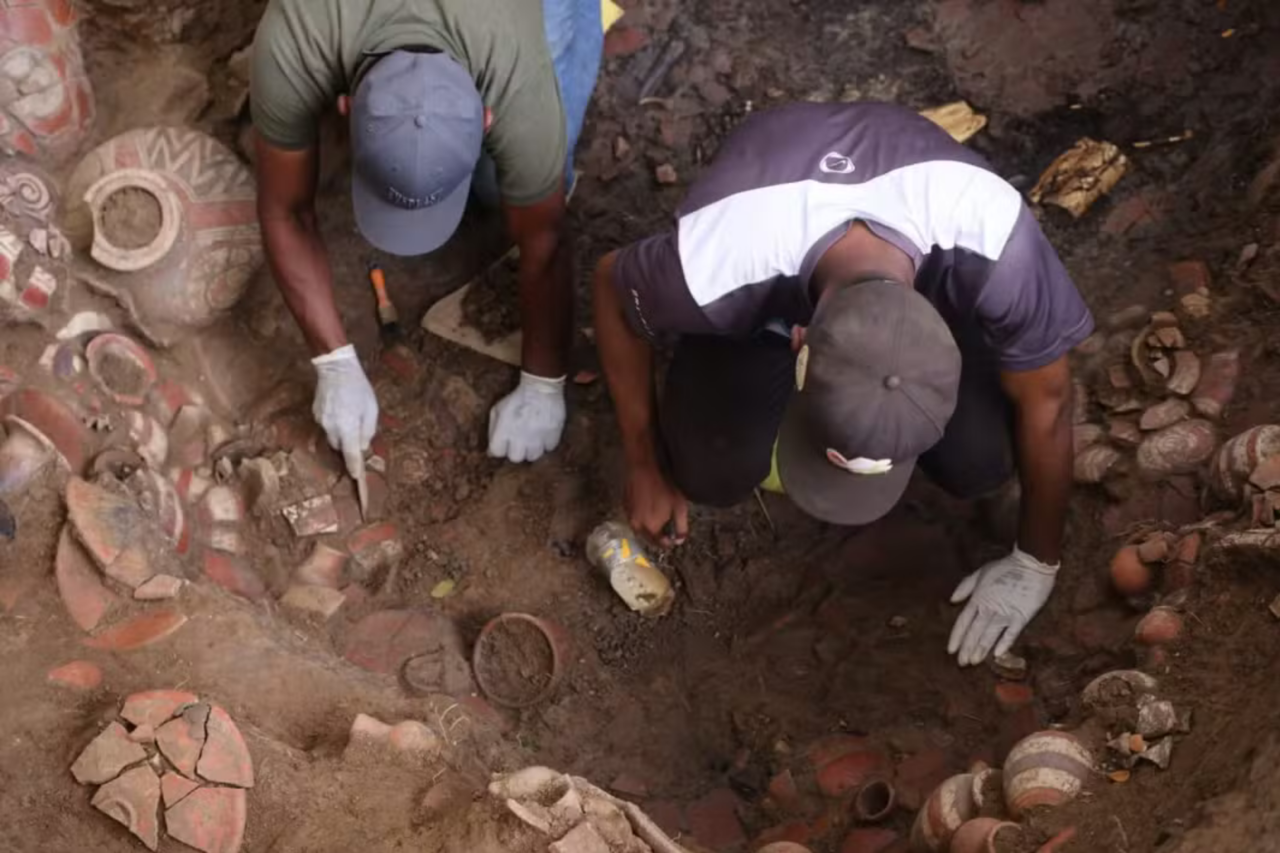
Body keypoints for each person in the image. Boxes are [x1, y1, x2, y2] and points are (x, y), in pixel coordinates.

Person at [592, 102, 1094, 667]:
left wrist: (1036, 560)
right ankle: (738, 373)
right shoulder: (715, 265)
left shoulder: (998, 247)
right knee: (710, 469)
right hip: (767, 246)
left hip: (909, 253)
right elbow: (611, 287)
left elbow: (1048, 402)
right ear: (798, 342)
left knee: (982, 461)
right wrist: (642, 460)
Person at [249, 0, 603, 470]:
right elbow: (285, 209)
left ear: (487, 118)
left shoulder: (517, 76)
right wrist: (332, 362)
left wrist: (544, 383)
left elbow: (545, 236)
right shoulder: (297, 34)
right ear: (345, 107)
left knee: (501, 190)